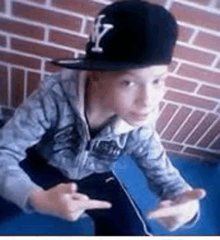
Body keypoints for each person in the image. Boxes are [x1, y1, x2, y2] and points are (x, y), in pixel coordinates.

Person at [0, 0, 206, 236]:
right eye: (128, 82)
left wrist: (187, 207)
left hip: (94, 176)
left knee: (133, 232)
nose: (148, 100)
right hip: (40, 163)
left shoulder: (138, 124)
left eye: (157, 81)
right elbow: (4, 152)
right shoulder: (54, 95)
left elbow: (166, 176)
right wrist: (36, 198)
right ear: (96, 75)